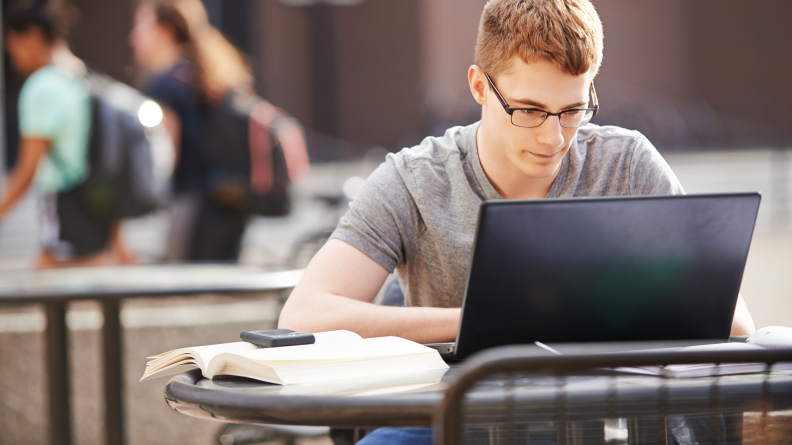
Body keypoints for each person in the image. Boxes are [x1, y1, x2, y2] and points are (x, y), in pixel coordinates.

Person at [278, 0, 755, 442]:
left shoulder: (626, 162)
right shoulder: (414, 179)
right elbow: (305, 314)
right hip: (456, 419)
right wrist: (477, 323)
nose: (554, 136)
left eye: (573, 110)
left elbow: (733, 320)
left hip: (601, 423)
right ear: (480, 86)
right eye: (529, 110)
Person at [0, 3, 132, 267]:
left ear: (33, 36)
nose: (13, 57)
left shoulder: (42, 87)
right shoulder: (85, 75)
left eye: (13, 46)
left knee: (57, 280)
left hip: (66, 205)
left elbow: (26, 172)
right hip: (98, 202)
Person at [128, 0, 254, 262]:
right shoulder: (197, 74)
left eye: (140, 26)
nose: (132, 38)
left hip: (189, 206)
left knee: (183, 287)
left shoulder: (164, 85)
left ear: (165, 31)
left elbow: (164, 157)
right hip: (221, 200)